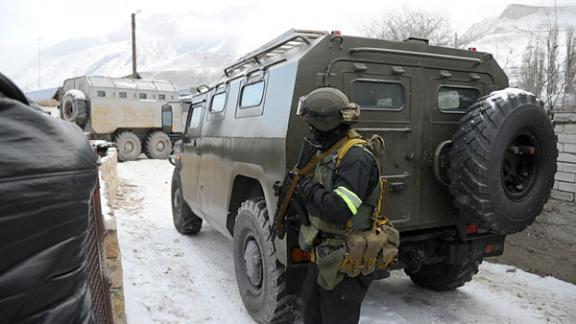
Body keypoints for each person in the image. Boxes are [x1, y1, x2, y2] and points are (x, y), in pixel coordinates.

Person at [295, 87, 383, 324]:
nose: (310, 129)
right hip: (325, 253)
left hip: (345, 259)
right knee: (312, 315)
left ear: (323, 124)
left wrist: (308, 189)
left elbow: (338, 209)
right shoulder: (331, 150)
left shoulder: (355, 158)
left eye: (312, 123)